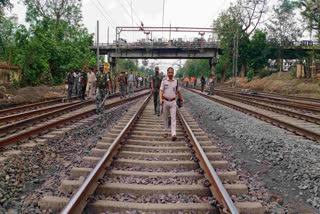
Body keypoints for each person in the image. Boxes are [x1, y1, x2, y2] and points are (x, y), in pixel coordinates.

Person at [160, 67, 183, 141]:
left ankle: (173, 134)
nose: (170, 74)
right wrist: (160, 99)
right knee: (165, 117)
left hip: (173, 102)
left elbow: (178, 91)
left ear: (173, 73)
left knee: (173, 118)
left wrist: (181, 100)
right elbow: (161, 90)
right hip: (165, 101)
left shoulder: (176, 81)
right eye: (169, 72)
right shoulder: (164, 81)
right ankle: (166, 131)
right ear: (167, 73)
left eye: (172, 72)